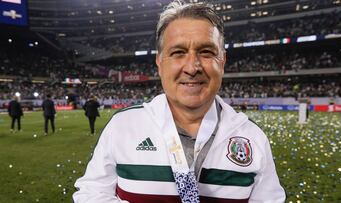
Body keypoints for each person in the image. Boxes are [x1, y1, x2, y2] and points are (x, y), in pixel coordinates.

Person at [73, 1, 286, 202]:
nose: (192, 67)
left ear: (222, 61)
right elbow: (91, 192)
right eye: (178, 52)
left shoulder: (252, 137)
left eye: (206, 52)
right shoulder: (123, 125)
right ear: (159, 61)